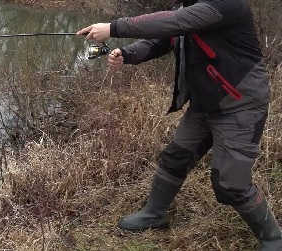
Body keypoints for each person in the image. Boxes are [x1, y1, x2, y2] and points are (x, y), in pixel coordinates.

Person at [76, 0, 280, 250]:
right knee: (175, 157)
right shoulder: (188, 8)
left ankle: (273, 238)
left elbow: (174, 22)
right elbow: (160, 38)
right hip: (205, 102)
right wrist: (126, 55)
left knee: (231, 183)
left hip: (241, 105)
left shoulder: (227, 4)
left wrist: (113, 27)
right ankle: (155, 214)